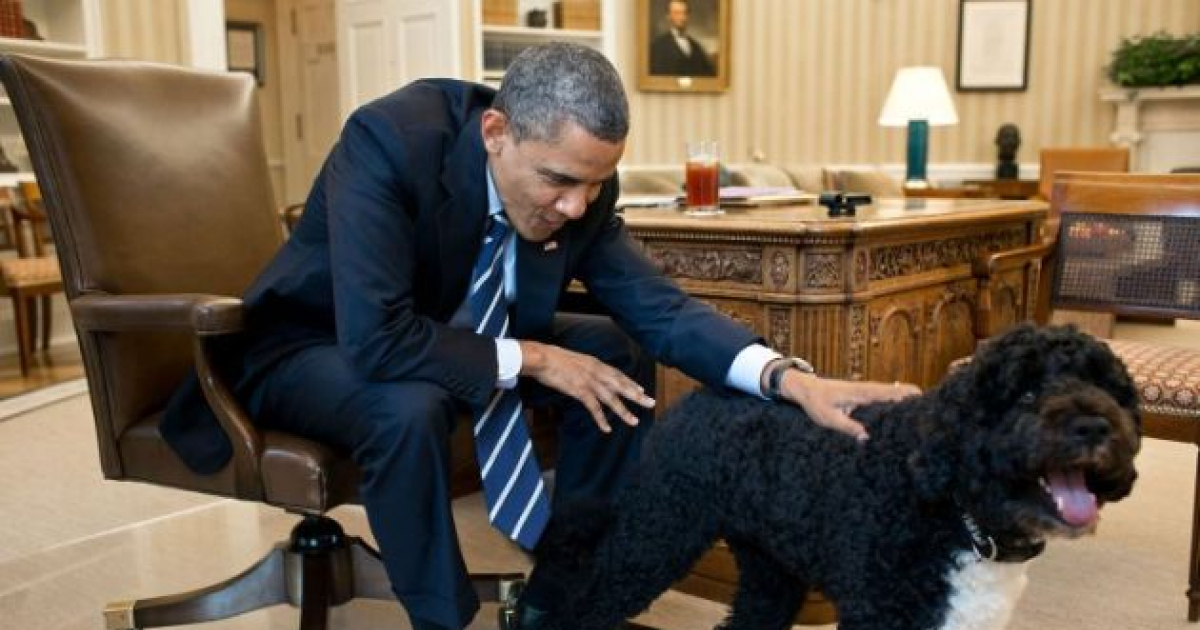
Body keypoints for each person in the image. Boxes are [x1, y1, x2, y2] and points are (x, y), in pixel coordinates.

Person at [161, 42, 915, 630]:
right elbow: (377, 340)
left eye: (595, 183)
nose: (577, 205)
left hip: (447, 337)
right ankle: (441, 617)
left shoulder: (583, 184)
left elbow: (659, 307)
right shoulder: (389, 141)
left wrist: (791, 379)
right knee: (410, 405)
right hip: (305, 346)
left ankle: (564, 593)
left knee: (614, 351)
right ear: (496, 132)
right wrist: (538, 357)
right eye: (558, 180)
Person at [649, 0, 716, 77]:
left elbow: (709, 76)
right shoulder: (658, 46)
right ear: (668, 16)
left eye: (685, 13)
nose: (682, 17)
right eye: (677, 13)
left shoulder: (696, 47)